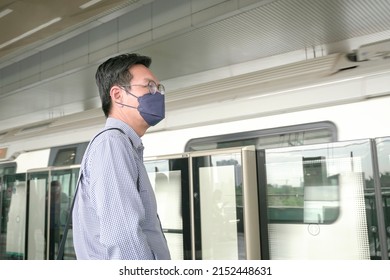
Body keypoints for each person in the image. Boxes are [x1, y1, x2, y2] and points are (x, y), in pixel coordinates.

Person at [72, 53, 171, 260]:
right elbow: (123, 235)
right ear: (117, 95)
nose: (158, 94)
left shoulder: (124, 144)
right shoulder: (112, 144)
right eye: (149, 87)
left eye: (159, 88)